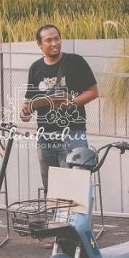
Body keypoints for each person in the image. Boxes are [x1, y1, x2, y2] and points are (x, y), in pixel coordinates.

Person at [20, 24, 99, 193]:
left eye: (57, 38)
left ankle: (76, 212)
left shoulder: (75, 62)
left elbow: (93, 92)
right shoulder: (35, 68)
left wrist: (72, 103)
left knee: (74, 190)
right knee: (52, 190)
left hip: (72, 134)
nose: (54, 43)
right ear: (40, 44)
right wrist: (25, 112)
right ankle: (55, 212)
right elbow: (30, 100)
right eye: (49, 40)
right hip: (45, 138)